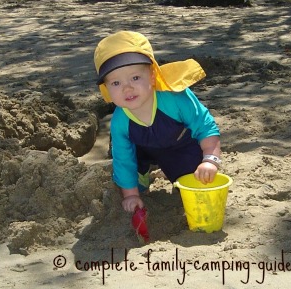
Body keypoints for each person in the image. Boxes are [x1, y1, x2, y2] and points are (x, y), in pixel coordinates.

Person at [93, 31, 221, 213]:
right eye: (115, 83)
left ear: (152, 76)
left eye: (135, 78)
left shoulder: (175, 98)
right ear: (105, 89)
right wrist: (131, 195)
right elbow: (123, 160)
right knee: (127, 173)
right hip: (143, 148)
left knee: (194, 181)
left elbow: (206, 127)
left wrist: (210, 160)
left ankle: (183, 172)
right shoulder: (120, 122)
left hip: (179, 145)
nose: (127, 88)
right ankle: (142, 178)